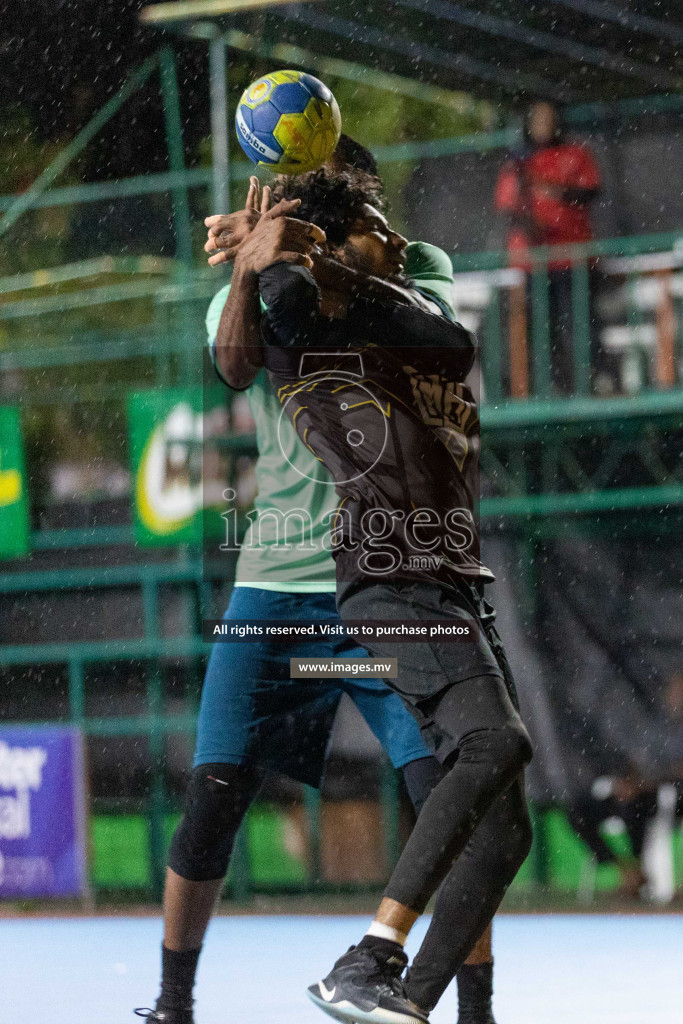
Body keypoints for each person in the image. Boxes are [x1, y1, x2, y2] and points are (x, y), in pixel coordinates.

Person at [134, 139, 501, 1024]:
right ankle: (172, 1004)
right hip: (275, 584)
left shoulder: (414, 270)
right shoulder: (260, 273)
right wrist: (262, 263)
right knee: (213, 794)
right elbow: (231, 366)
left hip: (386, 581)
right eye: (321, 189)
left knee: (443, 798)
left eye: (355, 191)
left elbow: (430, 338)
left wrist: (307, 253)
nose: (350, 205)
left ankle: (476, 1013)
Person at [258, 166, 533, 1024]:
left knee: (507, 830)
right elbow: (283, 307)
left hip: (450, 584)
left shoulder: (399, 307)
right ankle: (369, 955)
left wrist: (343, 262)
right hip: (391, 581)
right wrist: (266, 258)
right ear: (339, 243)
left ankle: (406, 1003)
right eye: (381, 223)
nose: (402, 239)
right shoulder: (331, 326)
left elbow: (451, 343)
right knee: (493, 745)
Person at [495, 101, 601, 394]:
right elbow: (509, 208)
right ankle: (551, 387)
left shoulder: (575, 154)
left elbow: (588, 191)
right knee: (541, 330)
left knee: (580, 327)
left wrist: (554, 193)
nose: (543, 125)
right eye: (537, 119)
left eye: (548, 119)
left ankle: (587, 384)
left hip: (573, 260)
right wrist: (531, 218)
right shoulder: (517, 163)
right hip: (534, 264)